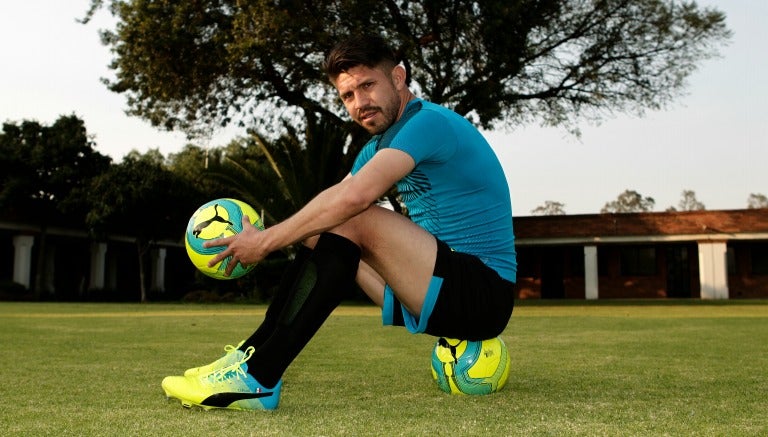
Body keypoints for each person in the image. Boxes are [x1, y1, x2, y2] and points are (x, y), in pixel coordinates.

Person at [162, 34, 517, 411]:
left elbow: (354, 199)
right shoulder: (377, 146)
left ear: (398, 78)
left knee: (352, 215)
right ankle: (249, 356)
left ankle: (259, 378)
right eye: (348, 95)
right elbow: (332, 203)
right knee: (321, 228)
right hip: (434, 288)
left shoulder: (428, 123)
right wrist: (277, 234)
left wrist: (264, 243)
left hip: (484, 293)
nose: (360, 103)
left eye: (368, 85)